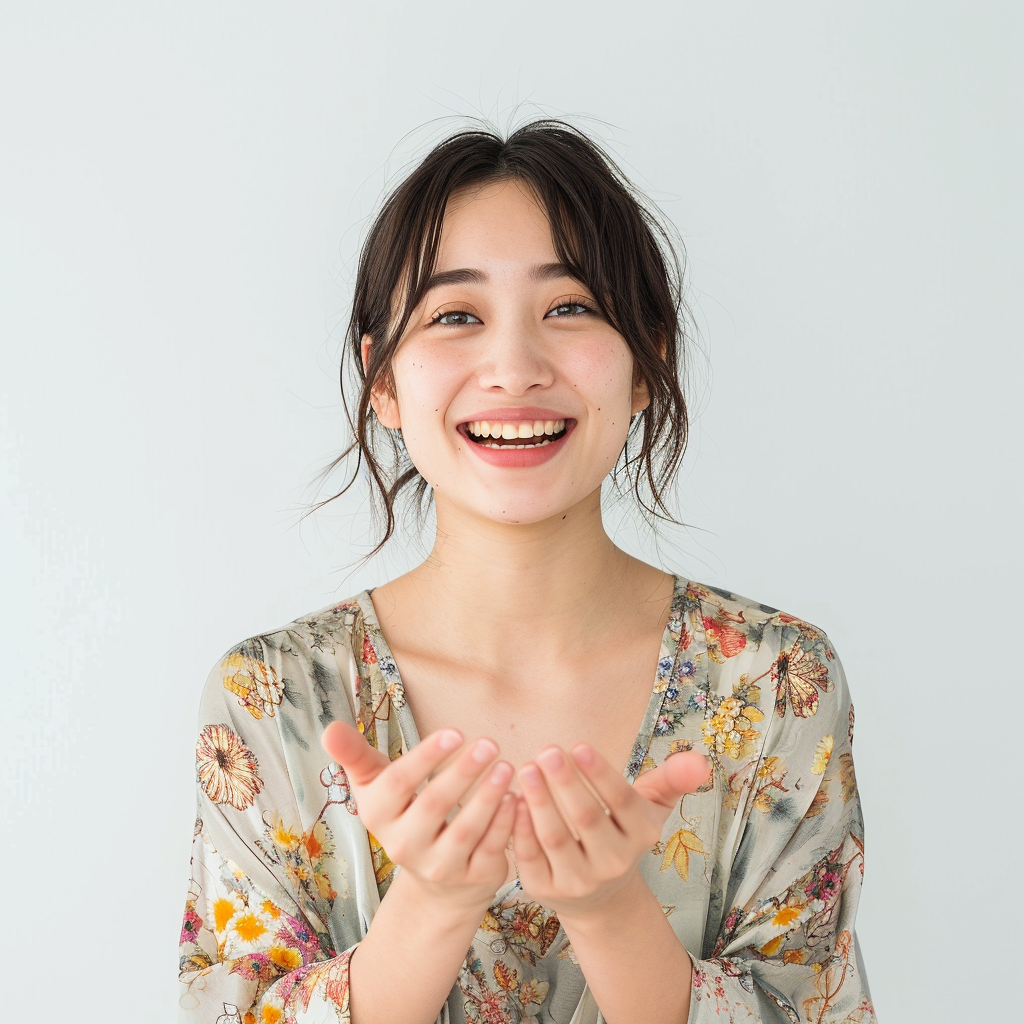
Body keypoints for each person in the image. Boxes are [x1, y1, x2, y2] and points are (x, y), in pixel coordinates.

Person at [177, 119, 876, 1024]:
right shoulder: (274, 698)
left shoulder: (779, 682)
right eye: (455, 316)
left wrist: (608, 906)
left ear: (646, 359)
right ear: (381, 379)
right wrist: (430, 905)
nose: (513, 369)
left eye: (571, 307)